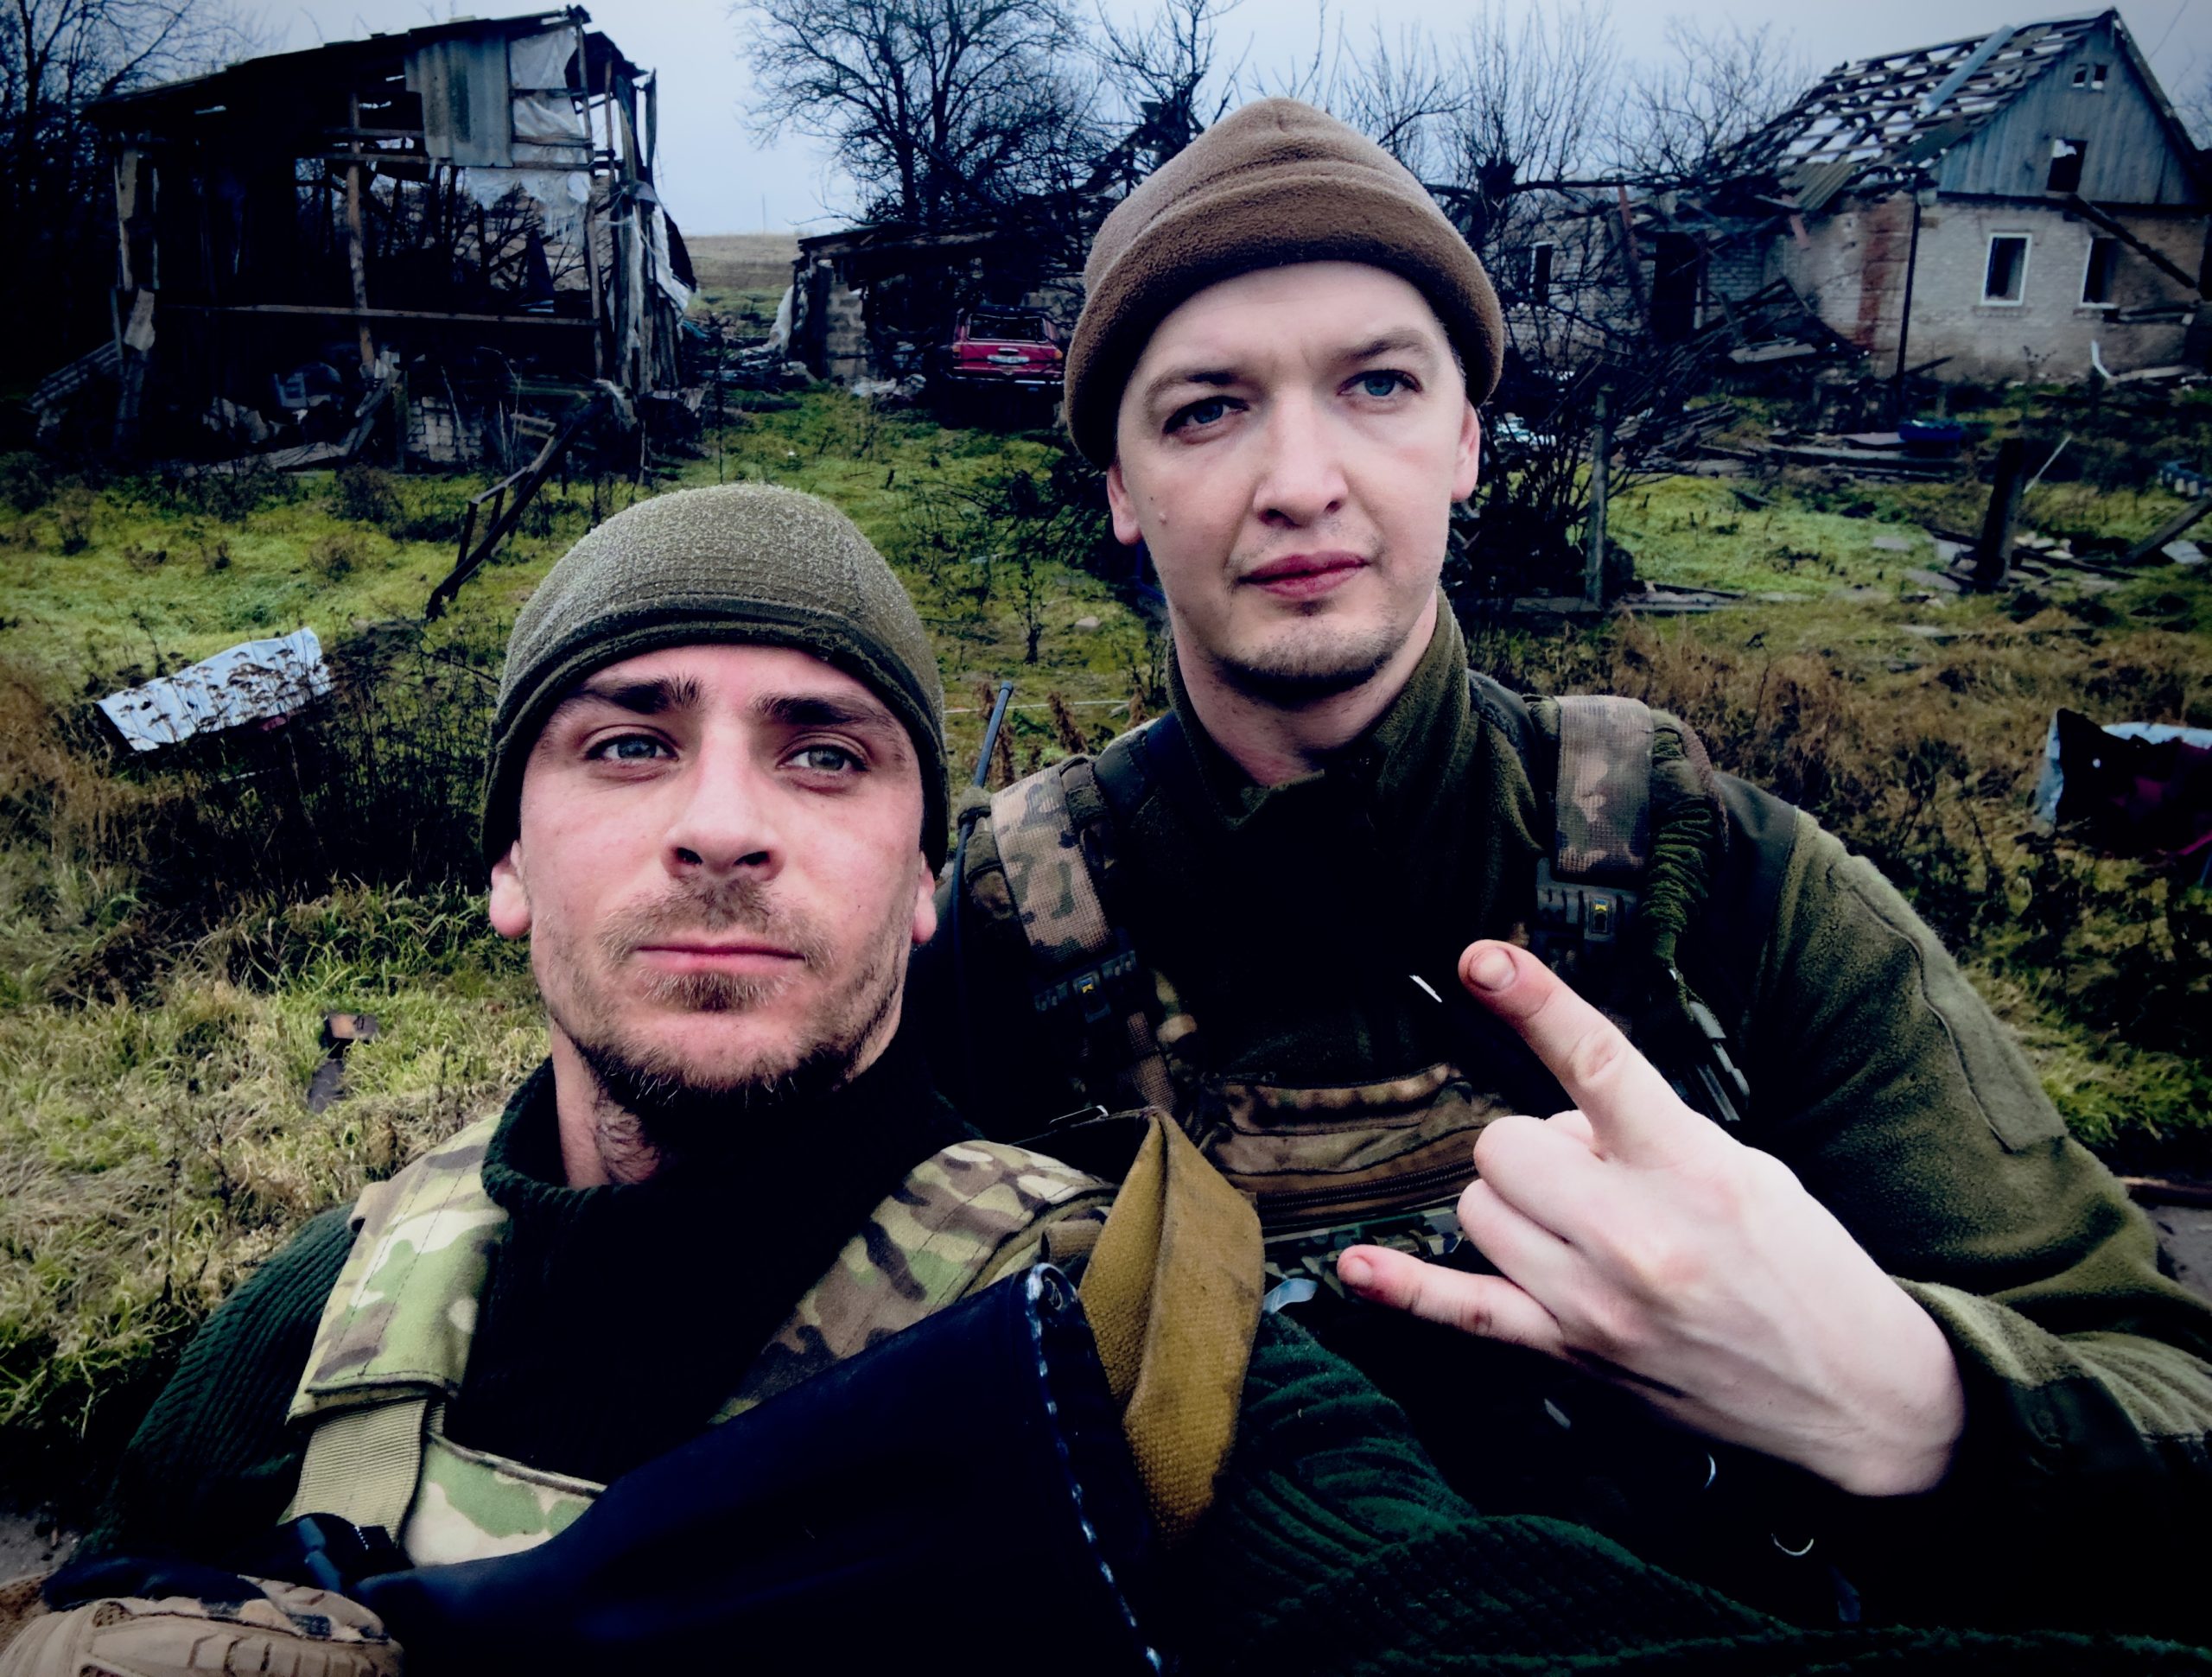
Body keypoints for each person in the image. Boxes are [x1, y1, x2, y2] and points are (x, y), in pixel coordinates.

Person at [911, 97, 2212, 1635]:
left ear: (1467, 440)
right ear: (1123, 491)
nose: (1301, 480)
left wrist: (1900, 1398)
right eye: (1206, 409)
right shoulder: (1002, 934)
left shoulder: (1720, 878)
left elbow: (2163, 1392)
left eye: (1379, 385)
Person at [7, 485, 1171, 1669]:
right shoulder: (318, 1316)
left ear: (923, 880)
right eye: (628, 746)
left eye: (825, 755)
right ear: (510, 865)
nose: (722, 828)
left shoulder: (1115, 1337)